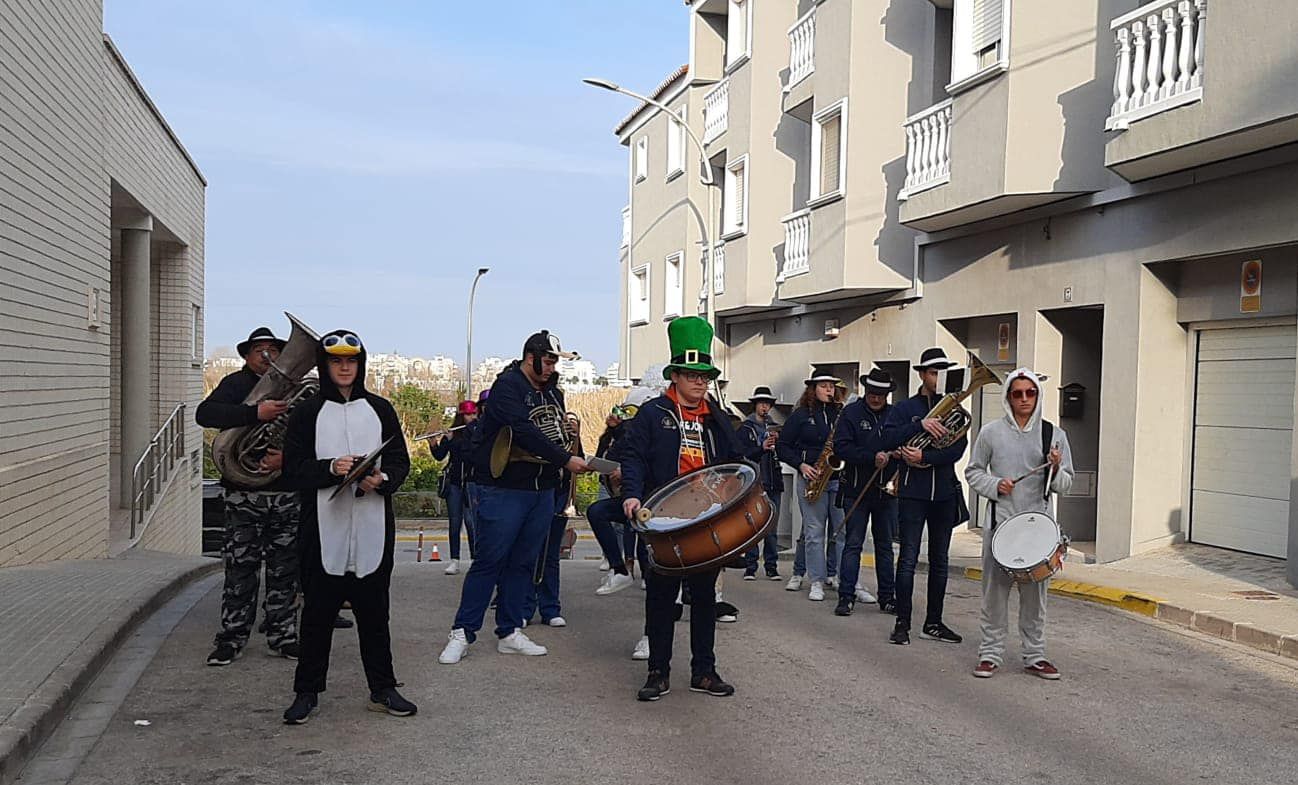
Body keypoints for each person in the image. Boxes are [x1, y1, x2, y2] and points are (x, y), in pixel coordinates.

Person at [281, 329, 416, 724]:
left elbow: (399, 462)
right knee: (317, 615)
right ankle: (306, 691)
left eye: (351, 360)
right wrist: (330, 468)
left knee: (376, 614)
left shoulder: (381, 409)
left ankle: (382, 688)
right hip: (322, 530)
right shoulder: (306, 413)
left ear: (361, 365)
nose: (344, 367)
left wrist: (383, 480)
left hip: (373, 525)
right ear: (324, 365)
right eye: (336, 360)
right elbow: (292, 470)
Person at [438, 331, 590, 665]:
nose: (551, 368)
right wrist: (566, 459)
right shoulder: (508, 386)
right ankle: (462, 631)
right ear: (531, 355)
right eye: (547, 360)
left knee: (524, 561)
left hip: (542, 489)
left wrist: (567, 436)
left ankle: (509, 631)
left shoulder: (552, 393)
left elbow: (550, 433)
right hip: (505, 488)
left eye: (554, 362)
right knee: (490, 561)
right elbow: (523, 431)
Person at [621, 316, 743, 701]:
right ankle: (658, 671)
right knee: (660, 597)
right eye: (692, 375)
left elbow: (735, 461)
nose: (699, 382)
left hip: (705, 518)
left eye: (704, 376)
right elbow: (633, 458)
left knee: (704, 597)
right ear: (675, 375)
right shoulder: (653, 414)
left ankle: (703, 671)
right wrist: (631, 494)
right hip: (662, 518)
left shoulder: (717, 419)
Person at [196, 326, 301, 665]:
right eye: (260, 350)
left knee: (285, 571)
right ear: (246, 355)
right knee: (240, 569)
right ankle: (231, 637)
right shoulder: (235, 385)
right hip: (243, 496)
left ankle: (283, 635)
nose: (267, 355)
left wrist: (288, 456)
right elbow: (205, 414)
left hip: (285, 494)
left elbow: (313, 432)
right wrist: (255, 414)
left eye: (273, 349)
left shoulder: (296, 388)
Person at [965, 368, 1073, 679]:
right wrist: (995, 484)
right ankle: (990, 654)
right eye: (1018, 393)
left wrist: (1054, 468)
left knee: (1035, 599)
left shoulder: (1055, 435)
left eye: (1030, 393)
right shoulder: (991, 433)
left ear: (1038, 396)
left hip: (1038, 531)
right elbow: (973, 472)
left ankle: (1035, 656)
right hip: (1000, 526)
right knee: (994, 595)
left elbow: (1066, 484)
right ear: (1008, 397)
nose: (1024, 399)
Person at [879, 347, 969, 646]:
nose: (937, 377)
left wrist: (925, 456)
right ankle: (902, 623)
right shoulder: (905, 408)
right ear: (921, 374)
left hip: (943, 492)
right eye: (933, 372)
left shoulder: (956, 409)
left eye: (942, 372)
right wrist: (919, 426)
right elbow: (888, 438)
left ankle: (934, 621)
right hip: (912, 493)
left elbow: (957, 448)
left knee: (940, 560)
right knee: (907, 559)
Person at [832, 368, 900, 616]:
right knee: (853, 543)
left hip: (886, 493)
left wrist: (896, 455)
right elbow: (841, 448)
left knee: (884, 546)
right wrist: (871, 457)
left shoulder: (895, 414)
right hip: (856, 489)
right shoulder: (851, 413)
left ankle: (888, 598)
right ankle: (846, 597)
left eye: (881, 394)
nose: (876, 398)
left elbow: (903, 441)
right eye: (872, 393)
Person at [776, 367, 844, 602]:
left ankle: (840, 576)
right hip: (811, 478)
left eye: (831, 386)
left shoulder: (839, 414)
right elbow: (782, 446)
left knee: (841, 531)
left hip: (837, 479)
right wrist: (801, 465)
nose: (829, 390)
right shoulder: (801, 415)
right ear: (813, 389)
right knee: (814, 533)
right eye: (824, 386)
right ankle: (816, 580)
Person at [737, 386, 782, 581]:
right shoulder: (746, 428)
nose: (764, 407)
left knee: (772, 528)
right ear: (755, 405)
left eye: (767, 404)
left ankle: (772, 567)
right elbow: (742, 454)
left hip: (773, 480)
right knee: (753, 526)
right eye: (761, 404)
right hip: (755, 482)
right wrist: (761, 448)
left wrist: (778, 444)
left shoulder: (774, 426)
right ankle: (750, 567)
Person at [432, 400, 479, 574]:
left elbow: (470, 454)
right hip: (454, 483)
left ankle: (475, 559)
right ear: (460, 416)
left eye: (474, 414)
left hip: (471, 482)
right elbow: (440, 456)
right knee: (454, 522)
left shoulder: (477, 433)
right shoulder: (453, 433)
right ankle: (454, 560)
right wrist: (433, 443)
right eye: (468, 415)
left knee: (471, 522)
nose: (472, 418)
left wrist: (453, 441)